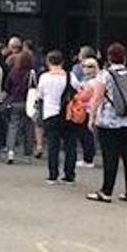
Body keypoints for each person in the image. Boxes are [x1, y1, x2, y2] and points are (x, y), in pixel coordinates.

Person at [86, 43, 127, 204]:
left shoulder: (105, 75)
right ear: (124, 57)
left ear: (109, 57)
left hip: (111, 121)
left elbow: (97, 98)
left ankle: (106, 191)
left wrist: (92, 118)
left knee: (110, 157)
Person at [36, 51, 78, 184]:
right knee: (70, 145)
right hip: (68, 114)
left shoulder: (44, 77)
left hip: (50, 113)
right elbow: (79, 90)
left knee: (53, 145)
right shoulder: (70, 76)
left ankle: (53, 174)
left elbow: (40, 94)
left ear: (48, 62)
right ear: (62, 62)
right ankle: (69, 175)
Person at [4, 51, 35, 164]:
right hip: (28, 102)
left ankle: (10, 151)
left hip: (15, 101)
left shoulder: (13, 72)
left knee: (13, 126)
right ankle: (28, 154)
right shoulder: (31, 73)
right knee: (29, 127)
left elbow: (7, 87)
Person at [71, 46, 98, 168]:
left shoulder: (91, 82)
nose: (85, 69)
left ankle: (88, 159)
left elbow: (83, 96)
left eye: (89, 67)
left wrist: (77, 96)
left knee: (86, 133)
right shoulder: (94, 79)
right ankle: (88, 157)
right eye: (85, 67)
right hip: (88, 108)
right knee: (87, 133)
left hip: (87, 109)